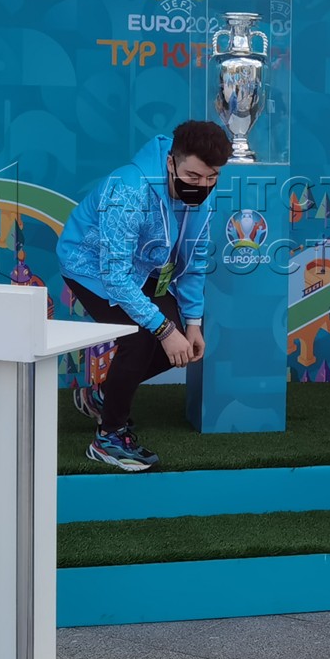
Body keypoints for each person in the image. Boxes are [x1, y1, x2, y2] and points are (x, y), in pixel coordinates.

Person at [56, 121, 231, 471]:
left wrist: (192, 322)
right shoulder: (128, 189)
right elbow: (115, 276)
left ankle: (101, 397)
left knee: (179, 345)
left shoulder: (203, 195)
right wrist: (163, 329)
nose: (202, 186)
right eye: (193, 176)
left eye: (212, 177)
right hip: (90, 267)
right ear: (171, 162)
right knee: (141, 337)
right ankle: (108, 438)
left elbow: (194, 259)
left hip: (144, 267)